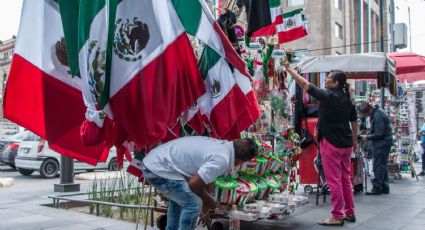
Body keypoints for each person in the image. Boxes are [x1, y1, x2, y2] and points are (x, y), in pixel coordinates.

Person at [284, 61, 358, 226]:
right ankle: (349, 212)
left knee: (334, 181)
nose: (325, 81)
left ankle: (337, 215)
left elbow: (305, 84)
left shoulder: (327, 95)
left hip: (331, 143)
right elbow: (354, 122)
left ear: (336, 83)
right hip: (346, 143)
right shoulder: (348, 99)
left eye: (328, 78)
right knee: (345, 179)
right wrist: (354, 141)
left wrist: (289, 70)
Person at [141, 136, 258, 230]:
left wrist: (206, 209)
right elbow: (194, 184)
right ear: (239, 162)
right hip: (159, 168)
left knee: (180, 198)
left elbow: (207, 180)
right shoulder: (223, 159)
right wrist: (208, 201)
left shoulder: (222, 146)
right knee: (194, 204)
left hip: (155, 162)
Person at [358, 102, 393, 195]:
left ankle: (377, 187)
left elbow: (379, 134)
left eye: (366, 114)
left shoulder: (378, 116)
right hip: (384, 142)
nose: (366, 116)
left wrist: (367, 137)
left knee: (378, 165)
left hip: (382, 143)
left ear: (369, 110)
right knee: (382, 164)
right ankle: (385, 186)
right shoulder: (377, 112)